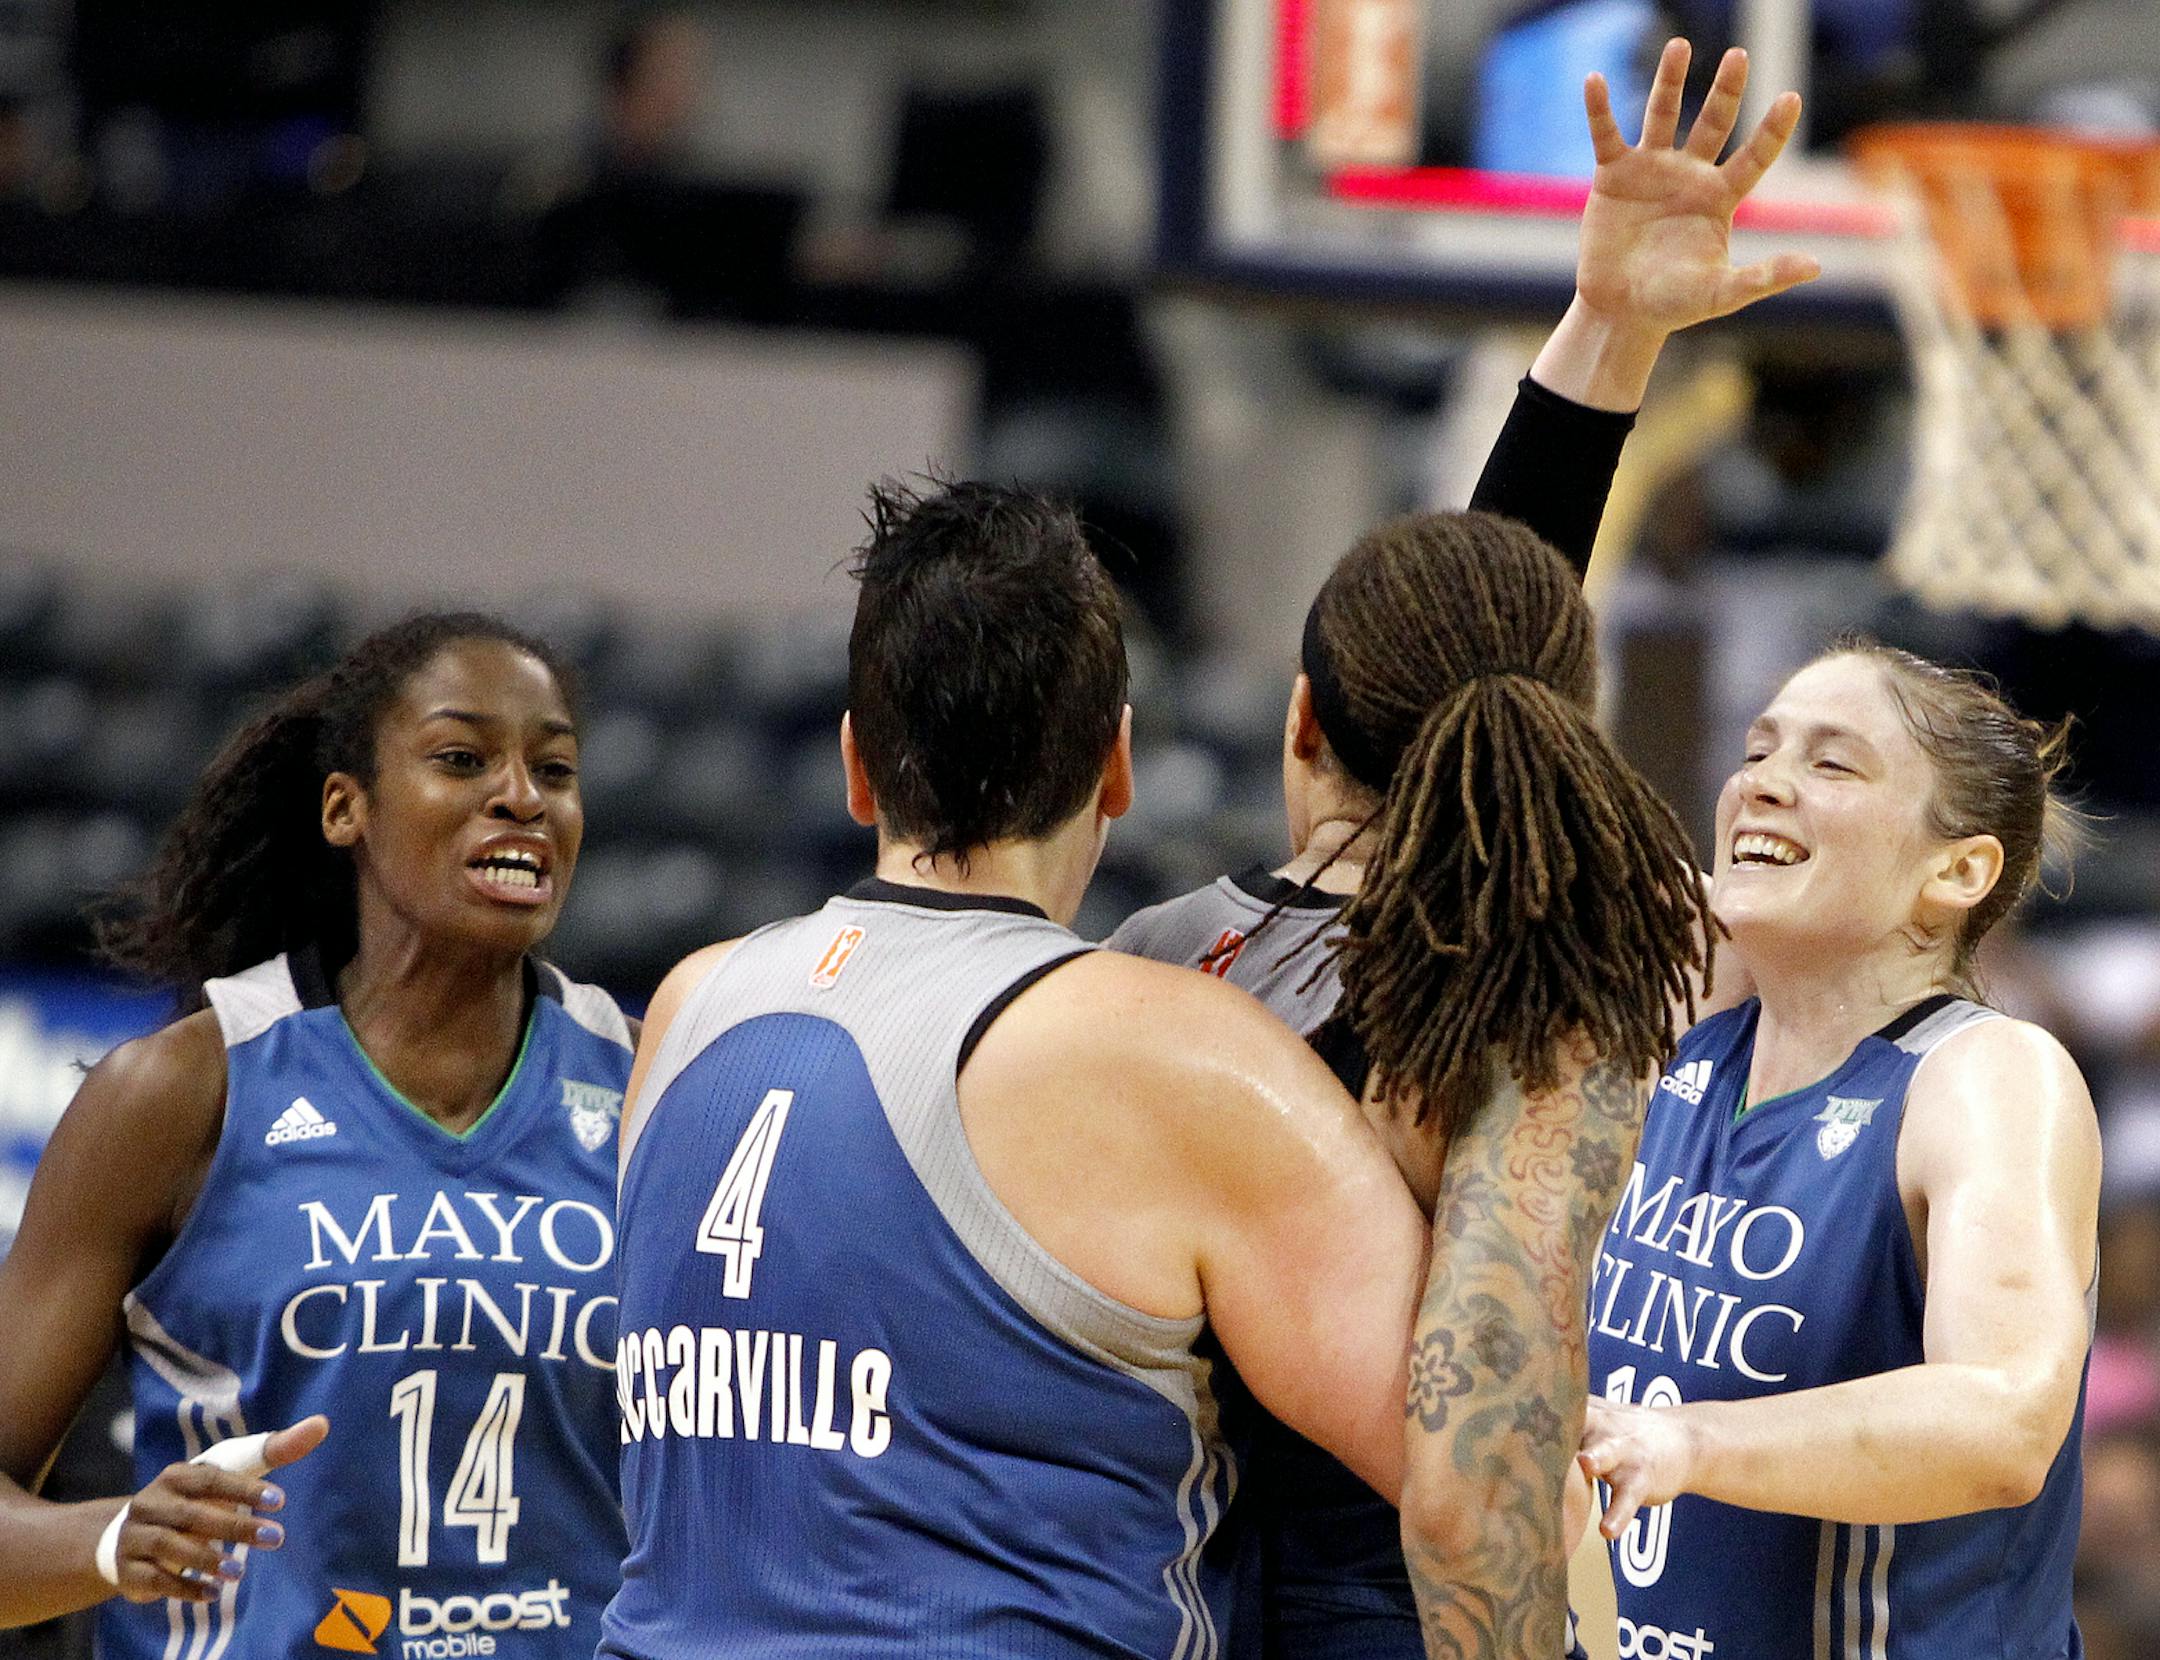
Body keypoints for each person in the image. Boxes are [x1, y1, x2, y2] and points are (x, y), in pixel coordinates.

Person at [1108, 37, 1809, 1660]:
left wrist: (1604, 332)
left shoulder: (1148, 968)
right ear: (1559, 731)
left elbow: (1477, 645)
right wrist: (1609, 332)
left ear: (1301, 722)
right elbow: (1470, 1492)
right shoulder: (1532, 996)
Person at [604, 479, 1436, 1659]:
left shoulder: (687, 1011)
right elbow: (1489, 1488)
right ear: (1118, 765)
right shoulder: (1179, 1054)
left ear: (855, 765)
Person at [0, 613, 637, 1660]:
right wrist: (110, 1537)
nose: (522, 796)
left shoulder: (649, 1084)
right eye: (462, 758)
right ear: (347, 808)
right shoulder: (181, 1092)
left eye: (555, 770)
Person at [1577, 642, 2100, 1660]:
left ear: (1958, 870)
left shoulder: (1983, 1077)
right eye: (1758, 750)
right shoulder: (1691, 1032)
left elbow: (2004, 1421)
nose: (1763, 783)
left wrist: (1686, 1440)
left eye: (1831, 764)